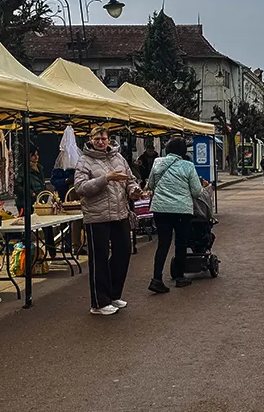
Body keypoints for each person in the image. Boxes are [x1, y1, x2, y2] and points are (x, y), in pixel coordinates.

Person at [74, 126, 140, 315]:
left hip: (120, 213)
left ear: (109, 139)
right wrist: (106, 178)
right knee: (99, 258)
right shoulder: (84, 161)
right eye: (97, 139)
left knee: (124, 252)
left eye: (104, 138)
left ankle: (113, 294)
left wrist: (133, 190)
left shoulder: (118, 157)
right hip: (97, 216)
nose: (101, 142)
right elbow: (80, 187)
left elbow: (130, 179)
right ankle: (99, 302)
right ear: (90, 139)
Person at [144, 137, 204, 293]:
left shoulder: (157, 162)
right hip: (182, 211)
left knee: (163, 244)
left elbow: (150, 185)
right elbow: (197, 191)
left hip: (160, 209)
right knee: (181, 243)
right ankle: (179, 277)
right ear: (183, 151)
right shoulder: (188, 166)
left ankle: (156, 279)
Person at [14, 145, 56, 258]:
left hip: (40, 201)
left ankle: (51, 250)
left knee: (48, 226)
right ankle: (28, 253)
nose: (36, 157)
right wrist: (30, 193)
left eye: (37, 155)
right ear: (28, 156)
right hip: (27, 203)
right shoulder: (23, 169)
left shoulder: (40, 168)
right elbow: (17, 186)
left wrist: (47, 195)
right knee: (28, 227)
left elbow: (42, 184)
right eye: (34, 155)